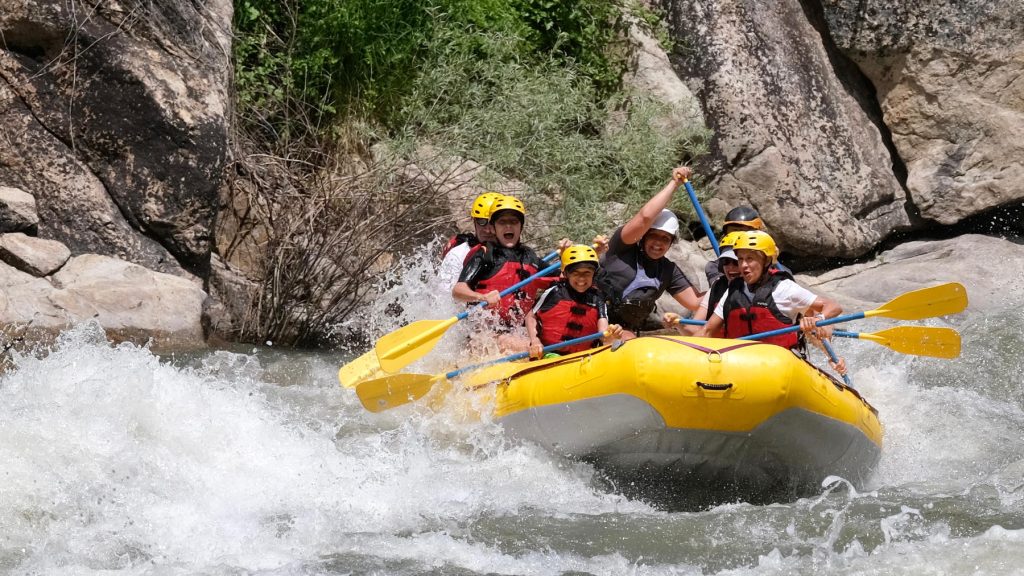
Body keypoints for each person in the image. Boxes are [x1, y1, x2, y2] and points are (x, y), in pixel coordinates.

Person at [690, 230, 846, 374]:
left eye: (750, 259)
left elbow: (833, 306)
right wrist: (684, 352)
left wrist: (818, 319)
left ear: (765, 262)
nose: (743, 265)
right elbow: (707, 331)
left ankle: (834, 358)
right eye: (741, 259)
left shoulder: (785, 289)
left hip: (780, 368)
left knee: (817, 326)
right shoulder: (733, 291)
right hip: (740, 366)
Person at [596, 166, 702, 339]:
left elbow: (696, 302)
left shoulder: (668, 270)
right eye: (654, 236)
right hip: (594, 320)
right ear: (644, 236)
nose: (658, 244)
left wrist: (727, 280)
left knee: (631, 341)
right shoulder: (622, 248)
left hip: (622, 331)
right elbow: (645, 218)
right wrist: (674, 183)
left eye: (665, 239)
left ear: (671, 243)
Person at [452, 195, 563, 348]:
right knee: (526, 345)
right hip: (483, 333)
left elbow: (566, 278)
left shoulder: (530, 257)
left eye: (514, 222)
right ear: (493, 227)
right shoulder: (485, 254)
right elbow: (458, 290)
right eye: (502, 222)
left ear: (521, 227)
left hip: (517, 330)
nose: (508, 227)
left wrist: (572, 258)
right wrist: (482, 297)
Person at [526, 245, 623, 359]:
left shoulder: (597, 300)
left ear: (594, 274)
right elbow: (530, 316)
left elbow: (603, 332)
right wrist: (535, 341)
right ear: (566, 274)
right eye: (575, 273)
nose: (581, 278)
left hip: (582, 357)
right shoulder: (555, 292)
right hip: (549, 354)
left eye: (587, 272)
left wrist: (612, 334)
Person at [665, 234, 742, 336]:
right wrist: (679, 322)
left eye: (736, 262)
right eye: (725, 261)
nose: (730, 267)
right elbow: (696, 331)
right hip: (720, 349)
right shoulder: (717, 288)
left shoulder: (763, 289)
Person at [705, 205, 790, 285]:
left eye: (744, 232)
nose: (739, 238)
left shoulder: (778, 270)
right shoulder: (715, 266)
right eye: (734, 231)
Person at [438, 192, 503, 290]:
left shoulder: (514, 255)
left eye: (493, 224)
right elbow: (442, 295)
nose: (488, 230)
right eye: (482, 222)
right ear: (474, 221)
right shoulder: (458, 254)